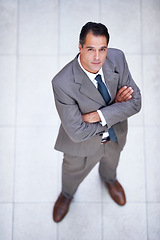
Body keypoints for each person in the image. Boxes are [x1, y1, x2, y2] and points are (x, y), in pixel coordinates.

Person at [51, 22, 141, 223]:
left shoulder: (117, 58)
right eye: (90, 49)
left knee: (112, 162)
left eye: (102, 49)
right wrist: (116, 108)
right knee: (71, 173)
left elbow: (136, 103)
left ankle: (109, 180)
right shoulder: (62, 83)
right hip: (80, 145)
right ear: (80, 47)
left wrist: (98, 115)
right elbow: (76, 132)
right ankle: (67, 194)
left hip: (115, 135)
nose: (98, 57)